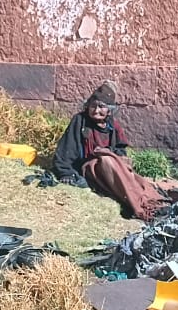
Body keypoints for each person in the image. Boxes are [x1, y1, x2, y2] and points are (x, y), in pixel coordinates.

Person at [54, 82, 170, 220]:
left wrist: (121, 158)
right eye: (93, 106)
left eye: (101, 107)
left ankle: (153, 202)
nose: (96, 110)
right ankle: (139, 208)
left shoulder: (112, 125)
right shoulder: (80, 121)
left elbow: (120, 149)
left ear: (109, 110)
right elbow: (66, 150)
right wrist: (67, 173)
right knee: (107, 159)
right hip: (91, 169)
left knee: (133, 177)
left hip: (112, 169)